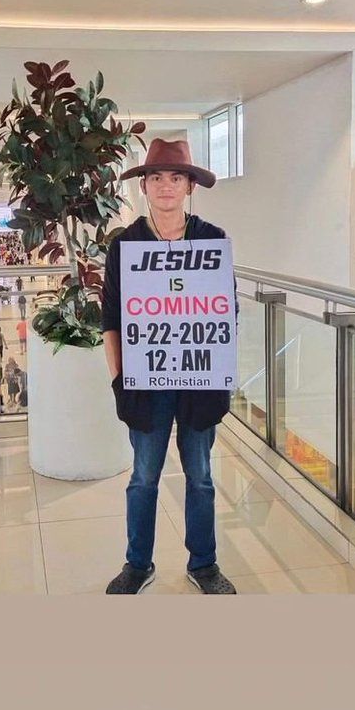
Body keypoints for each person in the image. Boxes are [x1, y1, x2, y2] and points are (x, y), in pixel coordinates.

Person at [102, 138, 239, 595]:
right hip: (145, 383)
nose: (165, 187)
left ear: (189, 187)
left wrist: (219, 374)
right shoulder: (124, 246)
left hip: (199, 381)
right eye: (156, 178)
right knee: (143, 478)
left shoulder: (213, 240)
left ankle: (205, 564)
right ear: (144, 186)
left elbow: (225, 315)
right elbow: (112, 321)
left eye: (175, 177)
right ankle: (137, 564)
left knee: (200, 478)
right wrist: (119, 379)